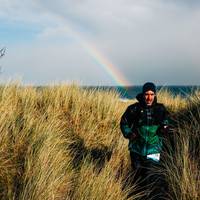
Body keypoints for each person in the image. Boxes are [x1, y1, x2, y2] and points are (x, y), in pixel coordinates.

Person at [120, 82, 170, 199]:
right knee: (138, 179)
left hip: (154, 150)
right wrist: (129, 134)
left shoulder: (160, 109)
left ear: (155, 95)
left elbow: (166, 123)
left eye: (152, 94)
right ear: (142, 94)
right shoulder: (134, 109)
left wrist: (165, 128)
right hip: (136, 150)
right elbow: (124, 123)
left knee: (152, 177)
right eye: (146, 94)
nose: (149, 97)